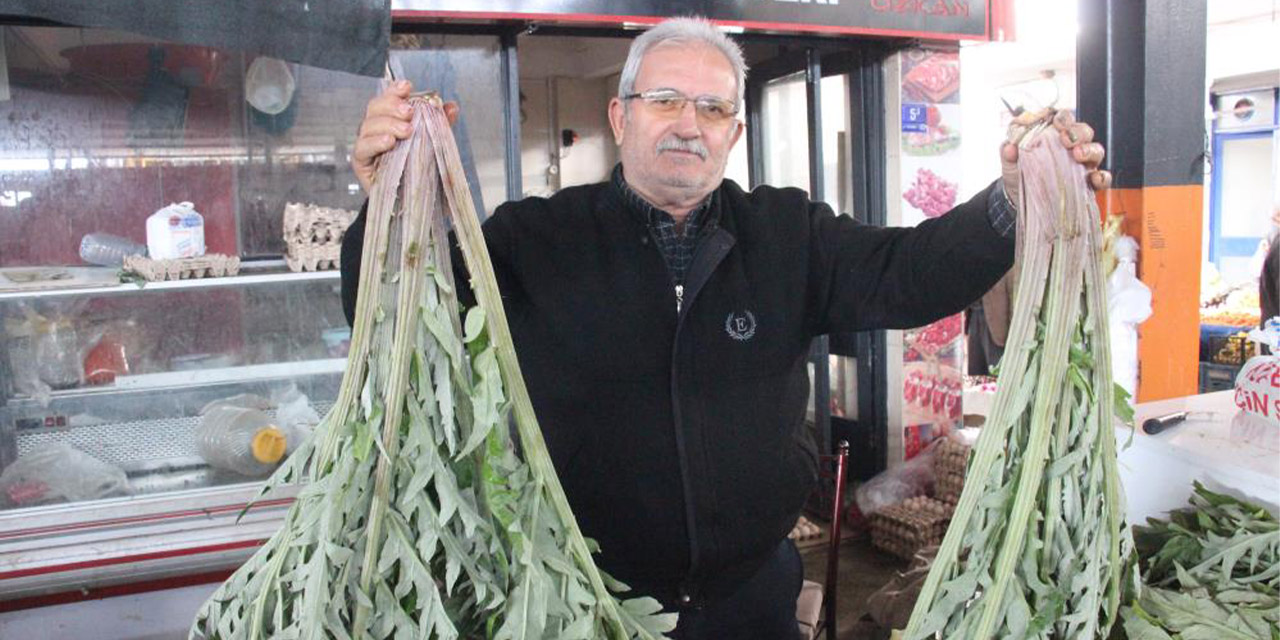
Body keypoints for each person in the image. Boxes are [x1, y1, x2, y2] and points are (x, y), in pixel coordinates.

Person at [342, 17, 1107, 640]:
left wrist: (1011, 201)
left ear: (734, 134)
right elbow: (404, 316)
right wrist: (384, 203)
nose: (689, 125)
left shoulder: (786, 233)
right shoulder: (531, 240)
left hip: (750, 602)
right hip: (580, 599)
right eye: (665, 100)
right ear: (621, 114)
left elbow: (907, 273)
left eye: (712, 110)